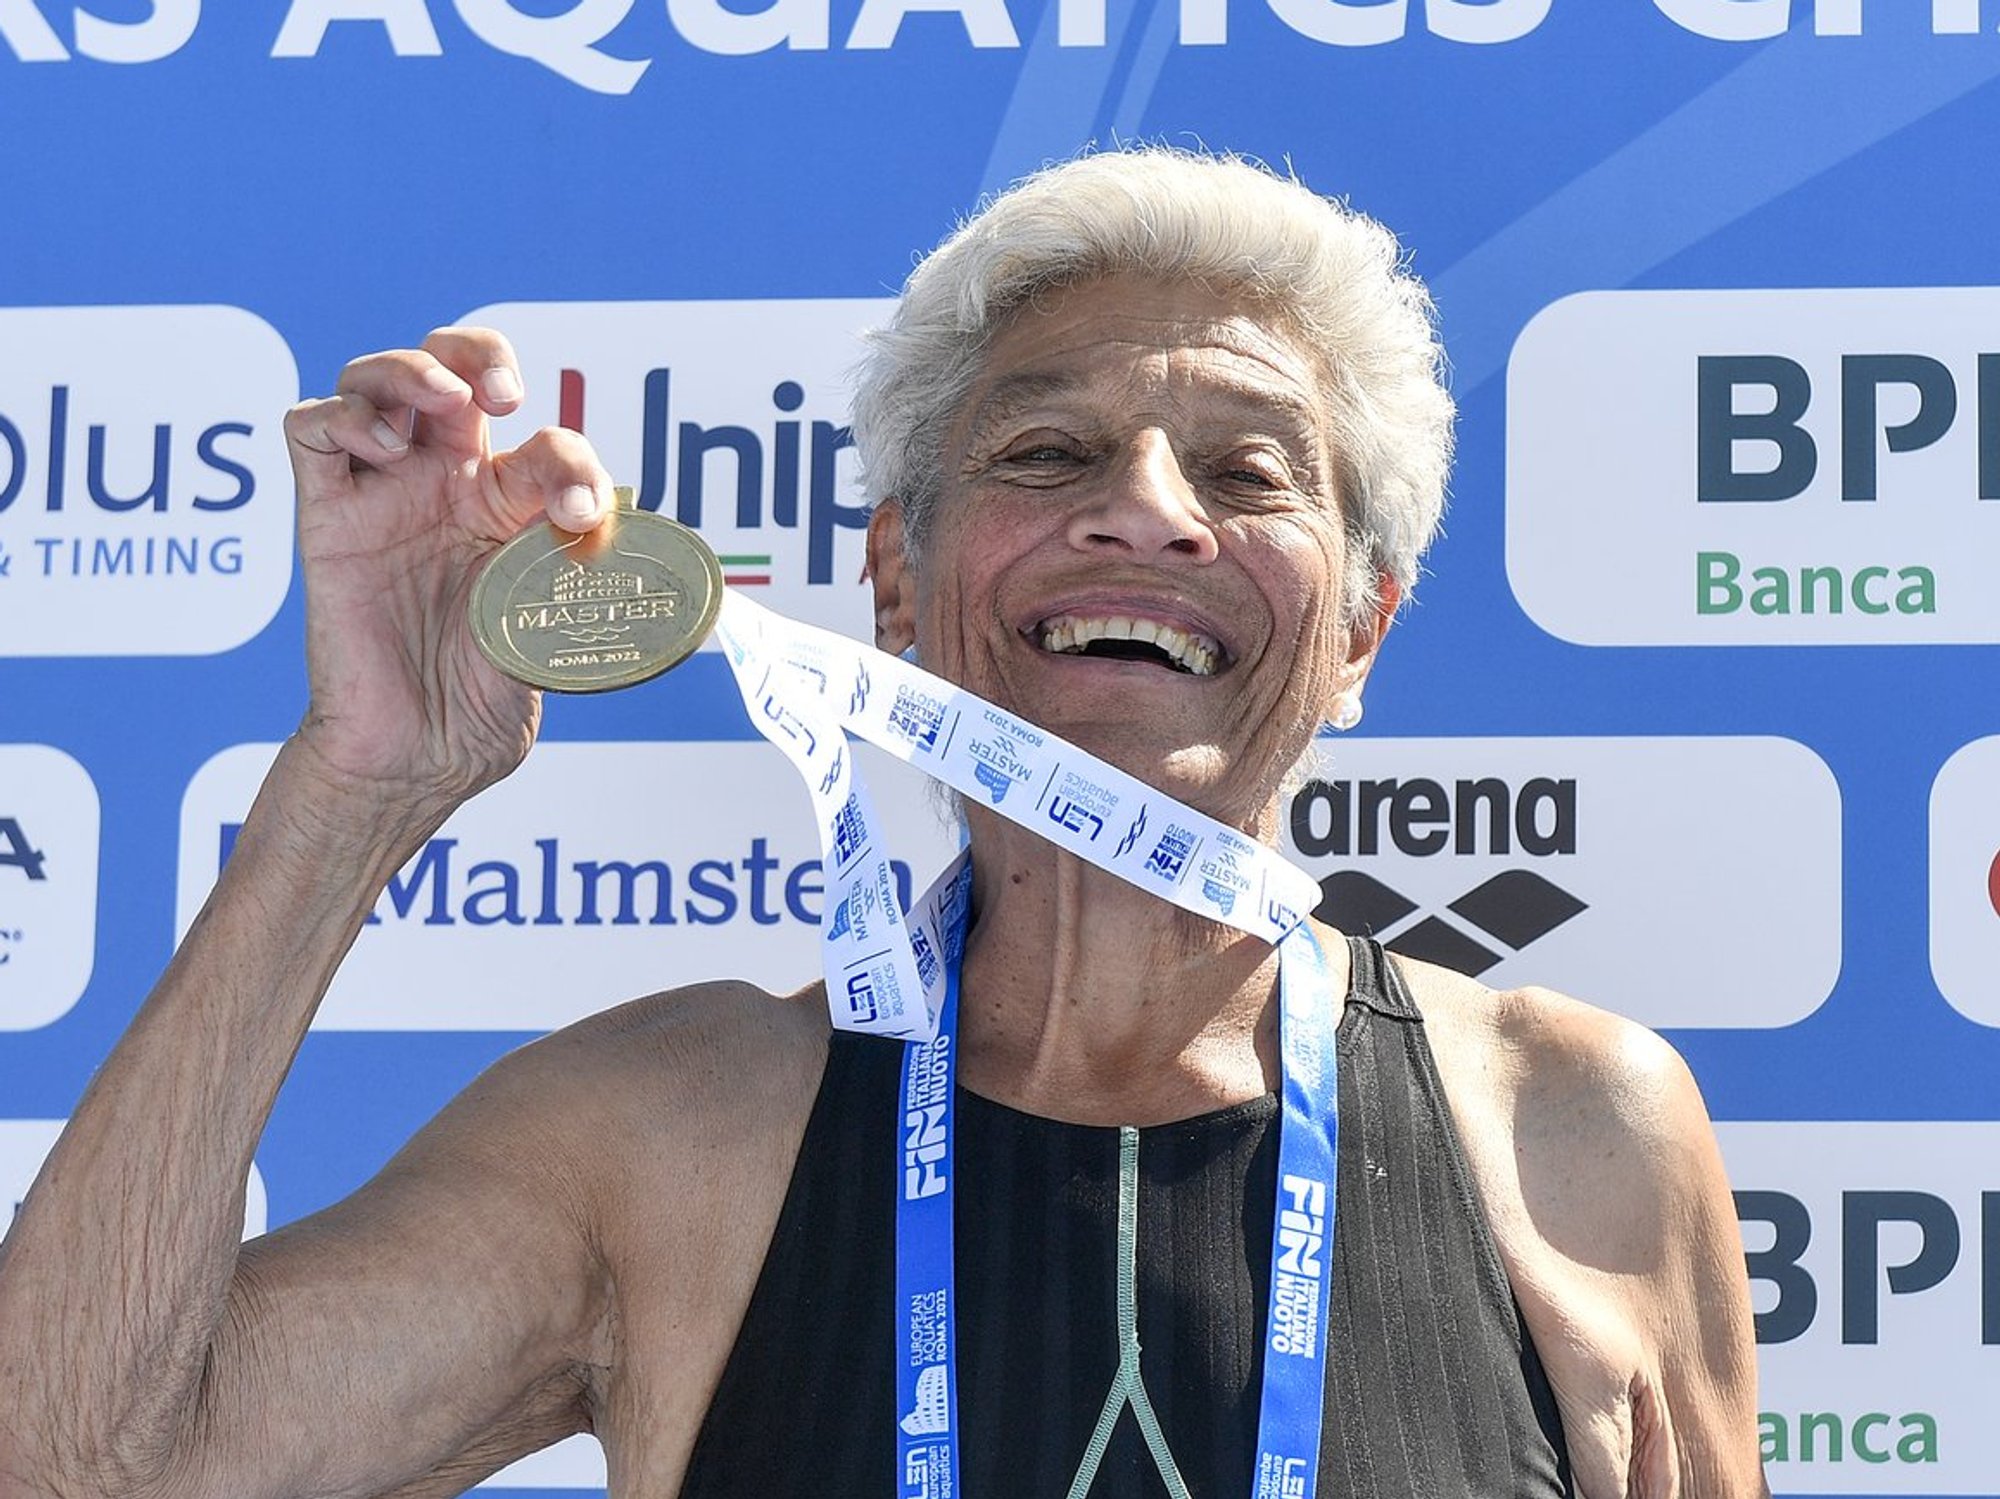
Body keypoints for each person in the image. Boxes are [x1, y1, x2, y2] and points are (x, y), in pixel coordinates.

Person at [0, 148, 1766, 1499]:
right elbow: (78, 1459)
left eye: (1248, 471)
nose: (1148, 514)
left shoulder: (1578, 1129)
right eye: (1047, 456)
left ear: (1363, 628)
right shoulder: (675, 1127)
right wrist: (355, 790)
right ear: (900, 588)